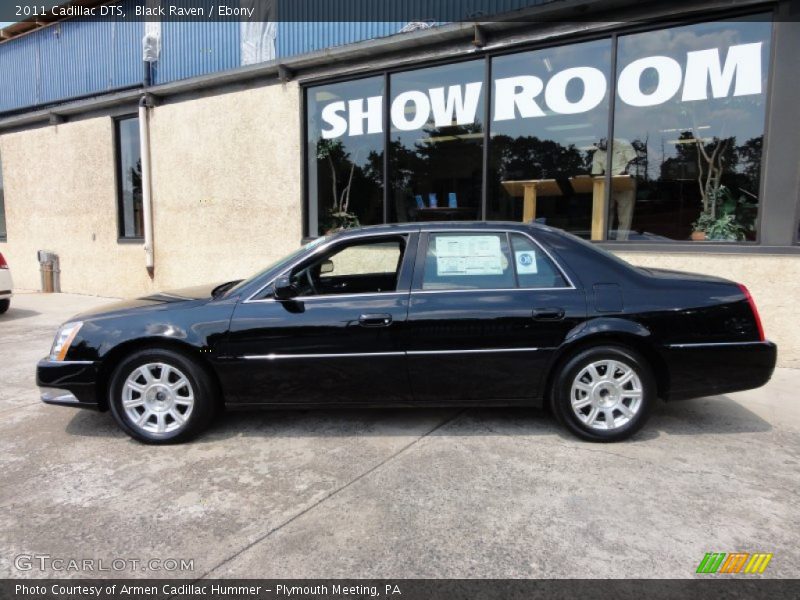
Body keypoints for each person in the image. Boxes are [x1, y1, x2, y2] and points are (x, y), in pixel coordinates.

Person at [592, 139, 637, 240]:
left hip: (625, 180)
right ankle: (603, 239)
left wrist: (626, 173)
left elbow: (634, 163)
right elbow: (596, 173)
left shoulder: (623, 144)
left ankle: (622, 241)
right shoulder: (598, 153)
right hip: (608, 182)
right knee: (605, 213)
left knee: (625, 214)